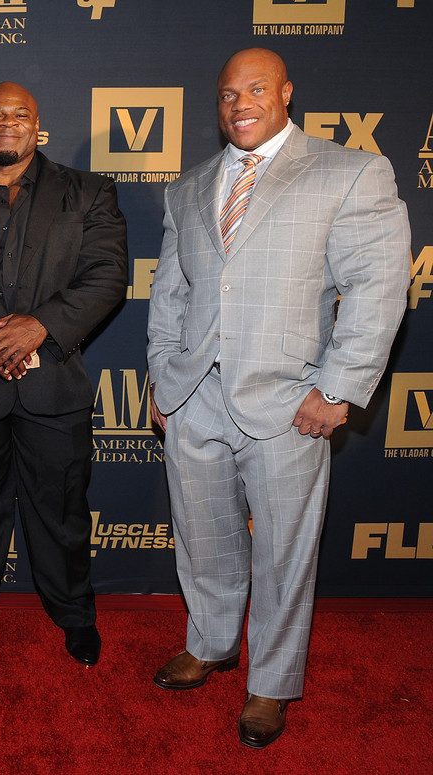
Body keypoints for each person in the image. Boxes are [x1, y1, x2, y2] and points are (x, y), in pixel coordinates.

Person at [147, 48, 410, 748]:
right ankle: (209, 642)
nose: (241, 104)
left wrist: (338, 388)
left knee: (284, 554)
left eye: (256, 89)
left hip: (290, 401)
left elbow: (379, 287)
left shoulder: (348, 171)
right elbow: (169, 295)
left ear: (287, 92)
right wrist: (162, 379)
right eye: (228, 94)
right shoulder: (189, 187)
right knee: (202, 536)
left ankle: (271, 681)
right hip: (193, 397)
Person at [0, 82, 128, 665]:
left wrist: (38, 326)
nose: (8, 122)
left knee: (62, 511)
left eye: (21, 114)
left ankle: (74, 613)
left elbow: (107, 276)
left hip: (53, 385)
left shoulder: (88, 193)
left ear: (38, 127)